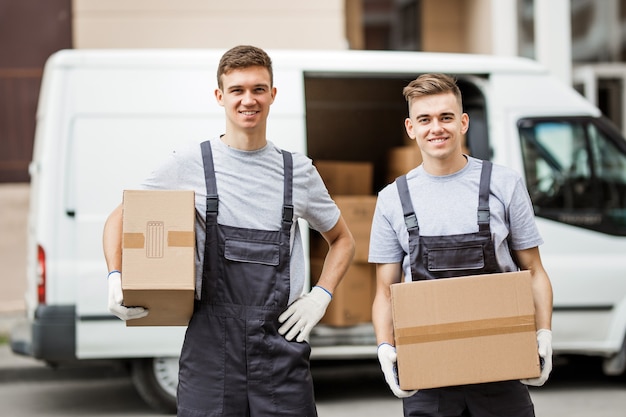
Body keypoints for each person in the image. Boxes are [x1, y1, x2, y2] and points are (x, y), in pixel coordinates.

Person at [102, 45, 355, 416]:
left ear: (273, 94)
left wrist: (321, 295)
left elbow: (343, 240)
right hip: (210, 353)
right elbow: (120, 216)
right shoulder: (190, 163)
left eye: (258, 89)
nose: (248, 100)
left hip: (279, 349)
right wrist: (115, 275)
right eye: (237, 90)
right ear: (220, 97)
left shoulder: (297, 172)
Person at [368, 73, 553, 416]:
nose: (435, 127)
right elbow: (385, 290)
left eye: (446, 117)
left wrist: (544, 333)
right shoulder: (393, 199)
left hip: (502, 371)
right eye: (425, 119)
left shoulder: (504, 184)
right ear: (411, 128)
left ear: (463, 122)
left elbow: (535, 271)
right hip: (428, 378)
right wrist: (384, 346)